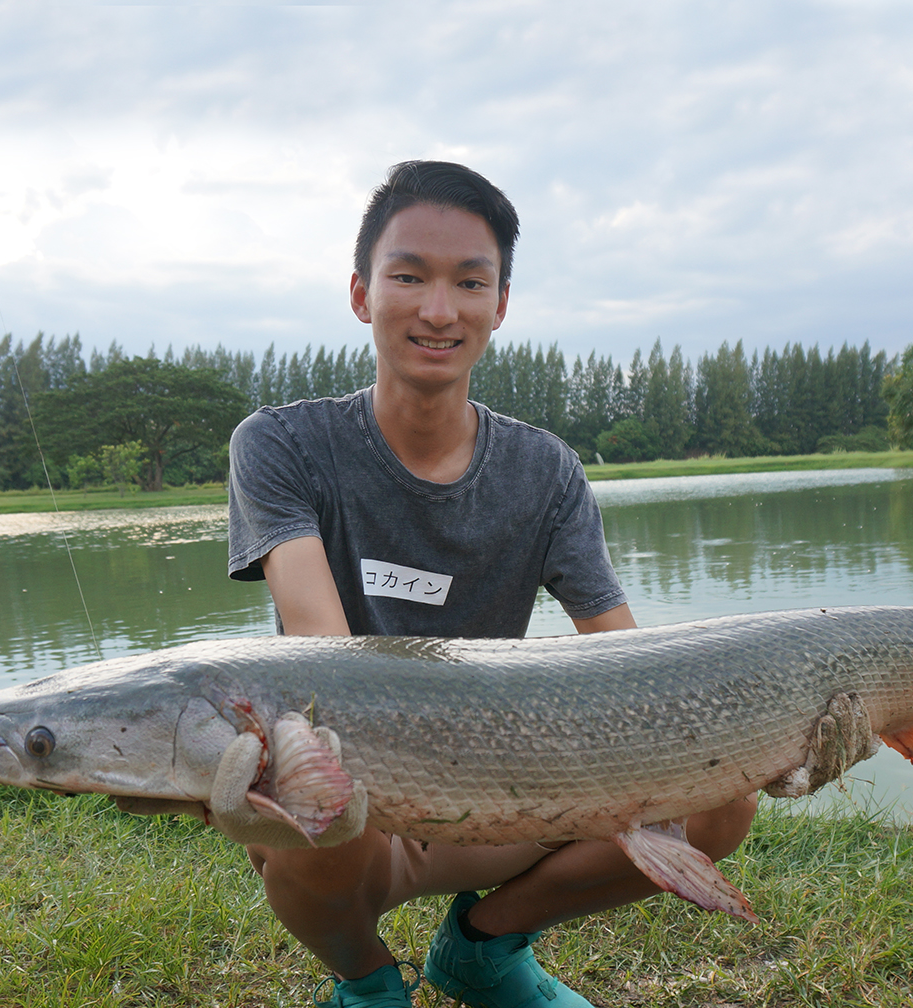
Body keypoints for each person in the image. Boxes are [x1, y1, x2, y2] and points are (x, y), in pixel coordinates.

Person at [182, 162, 754, 1007]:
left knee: (722, 804)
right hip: (352, 808)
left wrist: (753, 739)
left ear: (501, 304)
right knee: (316, 817)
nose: (439, 310)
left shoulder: (545, 470)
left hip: (501, 799)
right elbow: (322, 659)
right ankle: (368, 986)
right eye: (408, 276)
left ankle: (483, 949)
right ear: (360, 293)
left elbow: (631, 663)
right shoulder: (281, 446)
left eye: (469, 282)